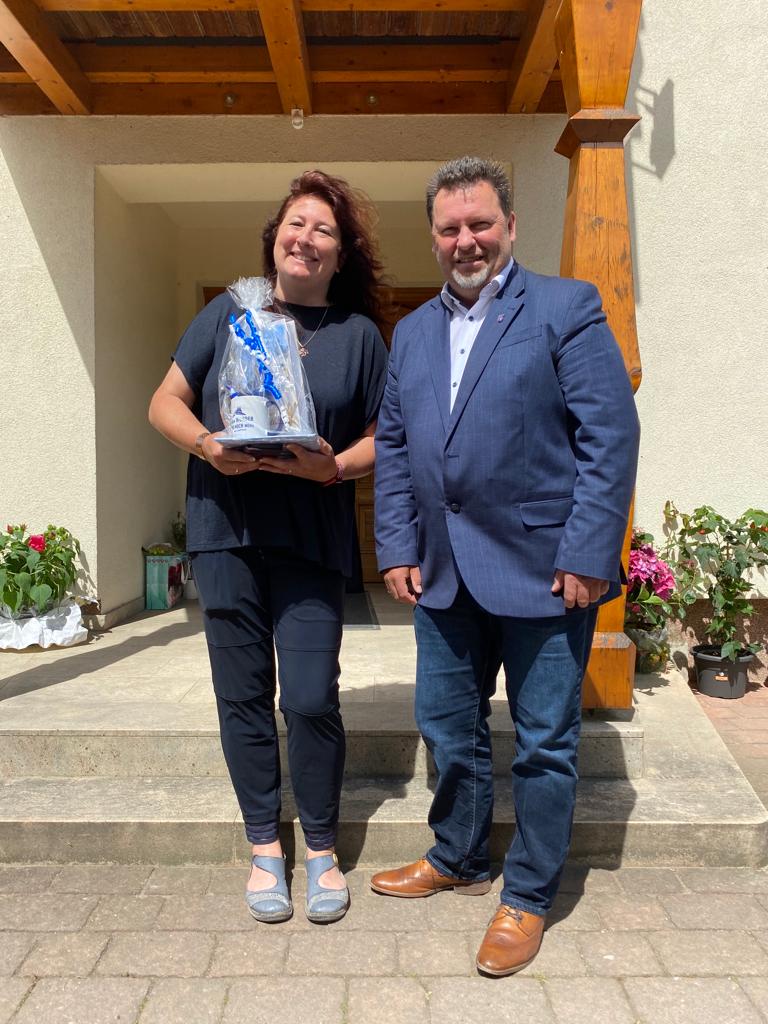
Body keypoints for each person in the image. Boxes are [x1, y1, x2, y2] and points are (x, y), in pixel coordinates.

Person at [371, 156, 640, 975]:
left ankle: (526, 894)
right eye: (450, 228)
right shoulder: (412, 332)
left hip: (545, 573)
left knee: (544, 745)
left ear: (511, 227)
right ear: (433, 237)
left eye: (480, 223)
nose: (466, 240)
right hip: (443, 576)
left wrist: (589, 553)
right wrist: (397, 545)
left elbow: (609, 435)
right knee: (447, 727)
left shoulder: (565, 307)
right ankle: (458, 855)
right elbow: (394, 446)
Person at [149, 170, 388, 925]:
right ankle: (264, 847)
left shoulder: (358, 336)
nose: (306, 238)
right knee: (243, 695)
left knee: (311, 697)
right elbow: (163, 402)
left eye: (324, 230)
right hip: (225, 532)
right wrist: (207, 445)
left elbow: (389, 435)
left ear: (341, 253)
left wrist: (335, 467)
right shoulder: (228, 313)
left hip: (312, 539)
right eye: (296, 223)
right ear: (275, 235)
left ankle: (320, 845)